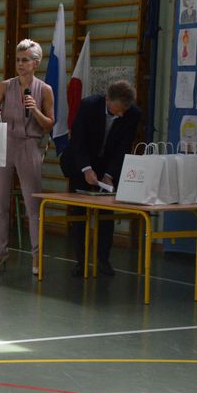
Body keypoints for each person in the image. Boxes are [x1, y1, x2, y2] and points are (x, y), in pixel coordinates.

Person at [0, 39, 55, 275]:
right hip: (4, 143)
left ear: (36, 63)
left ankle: (36, 257)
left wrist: (35, 110)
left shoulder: (45, 90)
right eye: (18, 60)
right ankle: (0, 253)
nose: (20, 64)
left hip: (29, 145)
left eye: (25, 60)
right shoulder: (5, 86)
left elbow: (49, 125)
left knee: (33, 205)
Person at [60, 80, 140, 277]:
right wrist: (86, 169)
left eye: (124, 110)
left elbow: (123, 148)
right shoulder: (89, 106)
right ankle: (81, 261)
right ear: (107, 100)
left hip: (107, 165)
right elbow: (78, 141)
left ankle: (103, 259)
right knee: (79, 213)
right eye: (118, 110)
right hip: (81, 162)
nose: (121, 114)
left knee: (106, 215)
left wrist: (109, 175)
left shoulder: (132, 114)